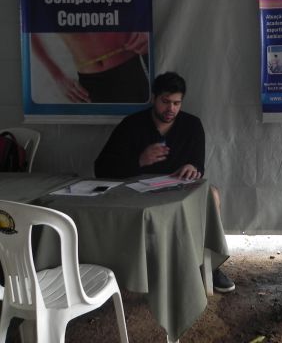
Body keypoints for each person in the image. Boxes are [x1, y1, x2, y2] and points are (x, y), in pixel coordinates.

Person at [94, 71, 235, 293]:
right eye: (165, 101)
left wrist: (193, 168)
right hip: (136, 193)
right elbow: (101, 167)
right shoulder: (132, 125)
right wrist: (139, 160)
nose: (171, 109)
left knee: (212, 194)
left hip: (178, 190)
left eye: (176, 103)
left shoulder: (191, 125)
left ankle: (210, 266)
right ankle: (129, 272)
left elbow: (198, 164)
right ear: (154, 98)